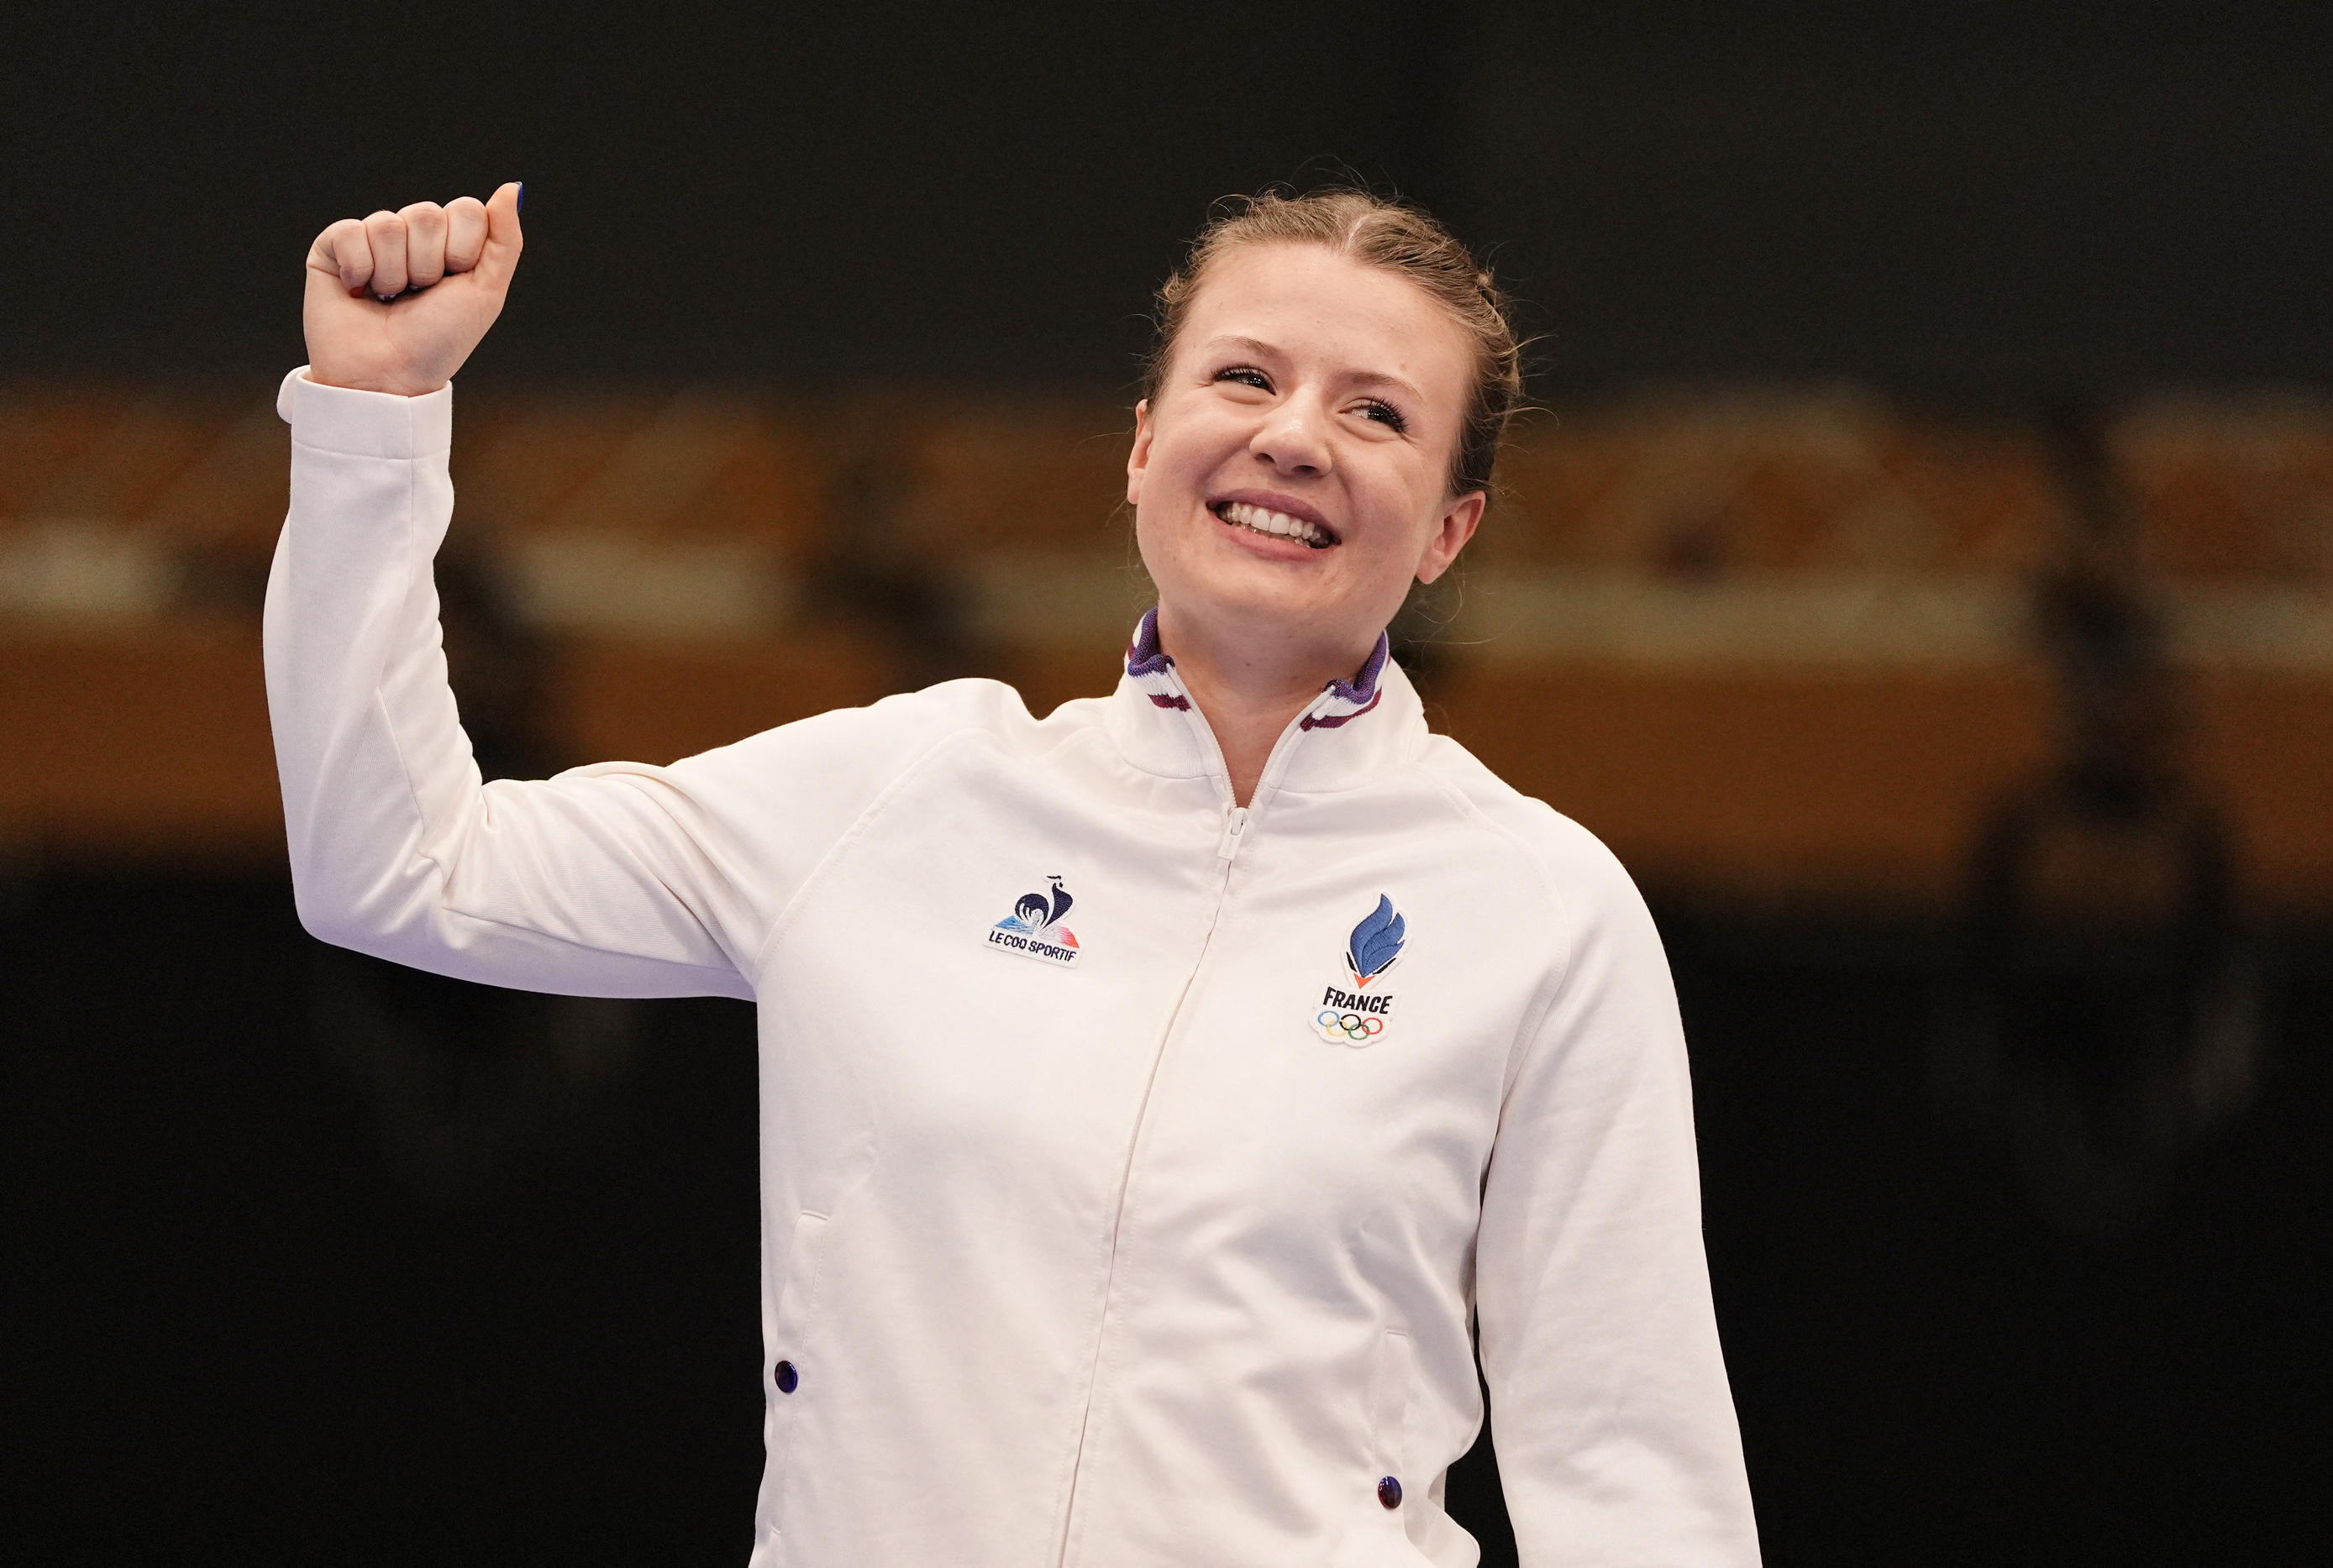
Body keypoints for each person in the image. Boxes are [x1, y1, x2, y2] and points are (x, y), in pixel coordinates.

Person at [268, 181, 1760, 1565]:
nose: (1293, 436)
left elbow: (1634, 1473)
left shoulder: (1543, 912)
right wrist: (369, 419)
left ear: (1449, 530)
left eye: (1375, 413)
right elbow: (398, 868)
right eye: (1243, 377)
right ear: (1137, 446)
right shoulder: (900, 795)